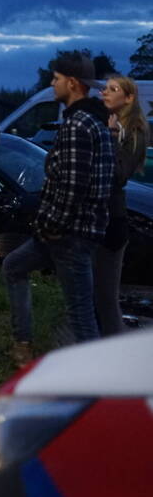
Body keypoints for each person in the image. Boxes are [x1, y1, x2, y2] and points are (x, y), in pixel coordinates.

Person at [2, 53, 114, 366]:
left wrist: (51, 226)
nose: (52, 84)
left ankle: (91, 384)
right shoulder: (91, 120)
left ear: (73, 83)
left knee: (80, 312)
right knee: (14, 266)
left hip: (69, 233)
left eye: (56, 79)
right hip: (70, 231)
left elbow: (73, 187)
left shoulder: (79, 124)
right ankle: (23, 346)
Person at [93, 74, 149, 336]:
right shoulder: (107, 123)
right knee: (95, 294)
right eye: (105, 88)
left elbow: (118, 175)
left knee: (105, 297)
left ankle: (114, 353)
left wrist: (113, 137)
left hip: (112, 220)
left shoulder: (134, 131)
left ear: (128, 98)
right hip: (97, 217)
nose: (105, 92)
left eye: (112, 89)